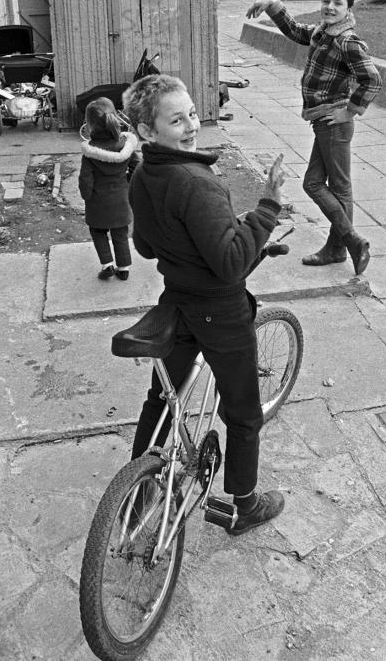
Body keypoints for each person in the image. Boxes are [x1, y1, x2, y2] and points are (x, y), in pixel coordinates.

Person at [122, 73, 286, 536]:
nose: (192, 125)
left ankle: (138, 494)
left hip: (177, 303)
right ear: (149, 131)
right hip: (221, 311)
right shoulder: (196, 181)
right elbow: (232, 263)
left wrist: (201, 237)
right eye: (177, 120)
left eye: (192, 112)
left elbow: (149, 248)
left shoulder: (143, 175)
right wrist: (267, 208)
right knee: (243, 413)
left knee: (161, 399)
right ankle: (246, 505)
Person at [246, 0, 382, 275]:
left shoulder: (347, 41)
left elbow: (373, 79)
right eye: (326, 1)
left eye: (338, 4)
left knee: (326, 185)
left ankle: (345, 244)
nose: (329, 7)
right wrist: (272, 3)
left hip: (334, 122)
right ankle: (342, 247)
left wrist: (350, 111)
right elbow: (295, 30)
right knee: (324, 184)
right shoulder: (323, 32)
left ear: (349, 9)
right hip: (322, 119)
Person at [78, 97, 139, 280]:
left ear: (89, 125)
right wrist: (127, 182)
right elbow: (137, 166)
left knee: (98, 232)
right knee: (120, 234)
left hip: (98, 202)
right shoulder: (124, 146)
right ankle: (124, 268)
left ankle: (107, 265)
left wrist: (86, 196)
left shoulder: (90, 152)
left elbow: (85, 180)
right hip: (121, 199)